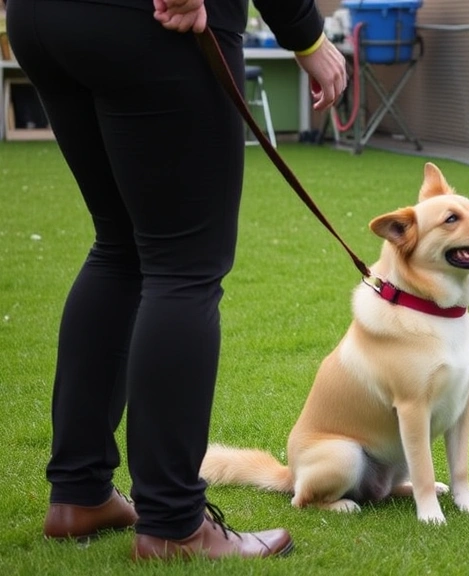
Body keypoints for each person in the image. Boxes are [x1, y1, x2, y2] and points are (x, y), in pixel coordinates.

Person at [6, 0, 347, 561]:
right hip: (155, 22)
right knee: (183, 266)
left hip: (42, 18)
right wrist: (307, 36)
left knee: (120, 248)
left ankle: (81, 492)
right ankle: (172, 522)